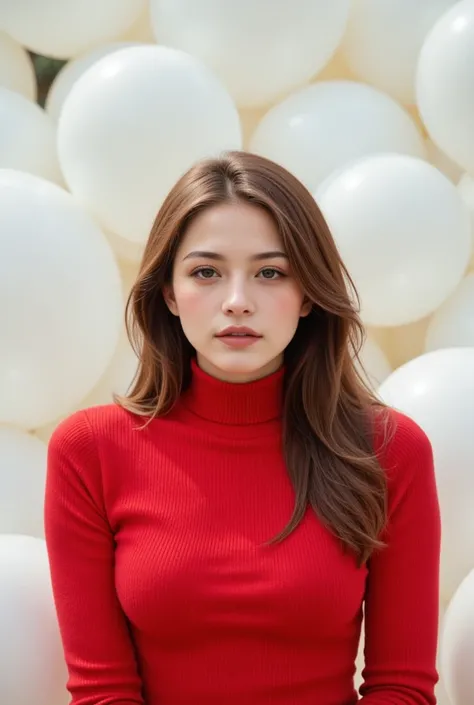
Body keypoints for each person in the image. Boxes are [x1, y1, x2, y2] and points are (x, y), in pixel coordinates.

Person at [44, 150, 441, 705]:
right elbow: (102, 692)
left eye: (270, 273)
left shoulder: (389, 451)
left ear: (307, 295)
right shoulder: (90, 450)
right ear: (168, 292)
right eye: (206, 272)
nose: (237, 302)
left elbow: (402, 688)